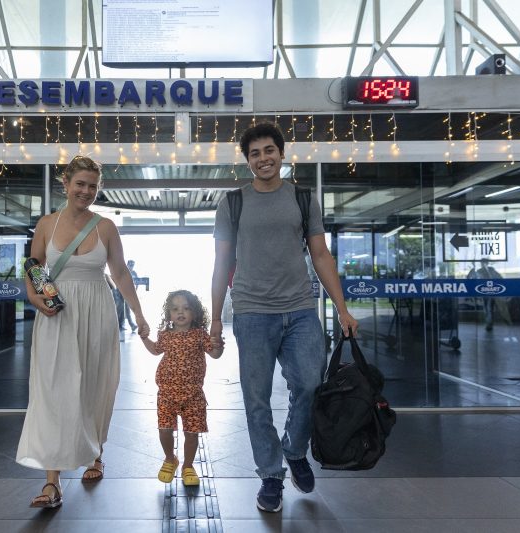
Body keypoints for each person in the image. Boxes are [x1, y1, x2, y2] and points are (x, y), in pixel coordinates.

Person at [210, 121, 359, 513]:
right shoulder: (233, 202)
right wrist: (213, 320)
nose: (263, 159)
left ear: (281, 154)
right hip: (252, 312)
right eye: (255, 153)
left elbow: (321, 255)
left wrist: (341, 307)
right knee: (256, 398)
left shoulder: (303, 197)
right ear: (248, 161)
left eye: (269, 151)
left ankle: (294, 449)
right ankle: (271, 476)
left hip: (300, 309)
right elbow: (221, 262)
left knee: (310, 383)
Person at [16, 155, 150, 509]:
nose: (86, 191)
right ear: (66, 183)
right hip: (57, 315)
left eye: (92, 186)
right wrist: (35, 300)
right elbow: (33, 270)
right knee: (53, 391)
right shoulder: (46, 224)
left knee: (95, 384)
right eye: (80, 184)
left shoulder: (105, 226)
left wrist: (139, 315)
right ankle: (52, 482)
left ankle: (95, 454)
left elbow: (120, 274)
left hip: (97, 312)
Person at [140, 290, 223, 486]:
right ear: (169, 314)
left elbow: (215, 355)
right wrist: (145, 337)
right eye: (175, 309)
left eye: (186, 308)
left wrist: (218, 345)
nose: (181, 313)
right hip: (167, 393)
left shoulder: (200, 335)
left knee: (191, 433)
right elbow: (155, 350)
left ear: (195, 313)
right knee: (164, 430)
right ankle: (170, 458)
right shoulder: (165, 335)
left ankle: (188, 466)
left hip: (193, 395)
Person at [467, 258, 510, 331]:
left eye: (485, 263)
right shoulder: (479, 271)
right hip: (485, 294)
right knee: (488, 309)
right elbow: (470, 278)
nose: (483, 264)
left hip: (492, 293)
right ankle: (489, 323)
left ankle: (490, 323)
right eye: (482, 263)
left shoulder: (492, 271)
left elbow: (500, 279)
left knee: (489, 308)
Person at [122, 259, 139, 332]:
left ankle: (131, 325)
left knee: (128, 310)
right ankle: (130, 325)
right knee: (123, 310)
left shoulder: (134, 273)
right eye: (130, 265)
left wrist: (135, 290)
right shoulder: (124, 271)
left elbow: (138, 282)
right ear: (127, 264)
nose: (131, 266)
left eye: (133, 265)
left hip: (129, 294)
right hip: (121, 293)